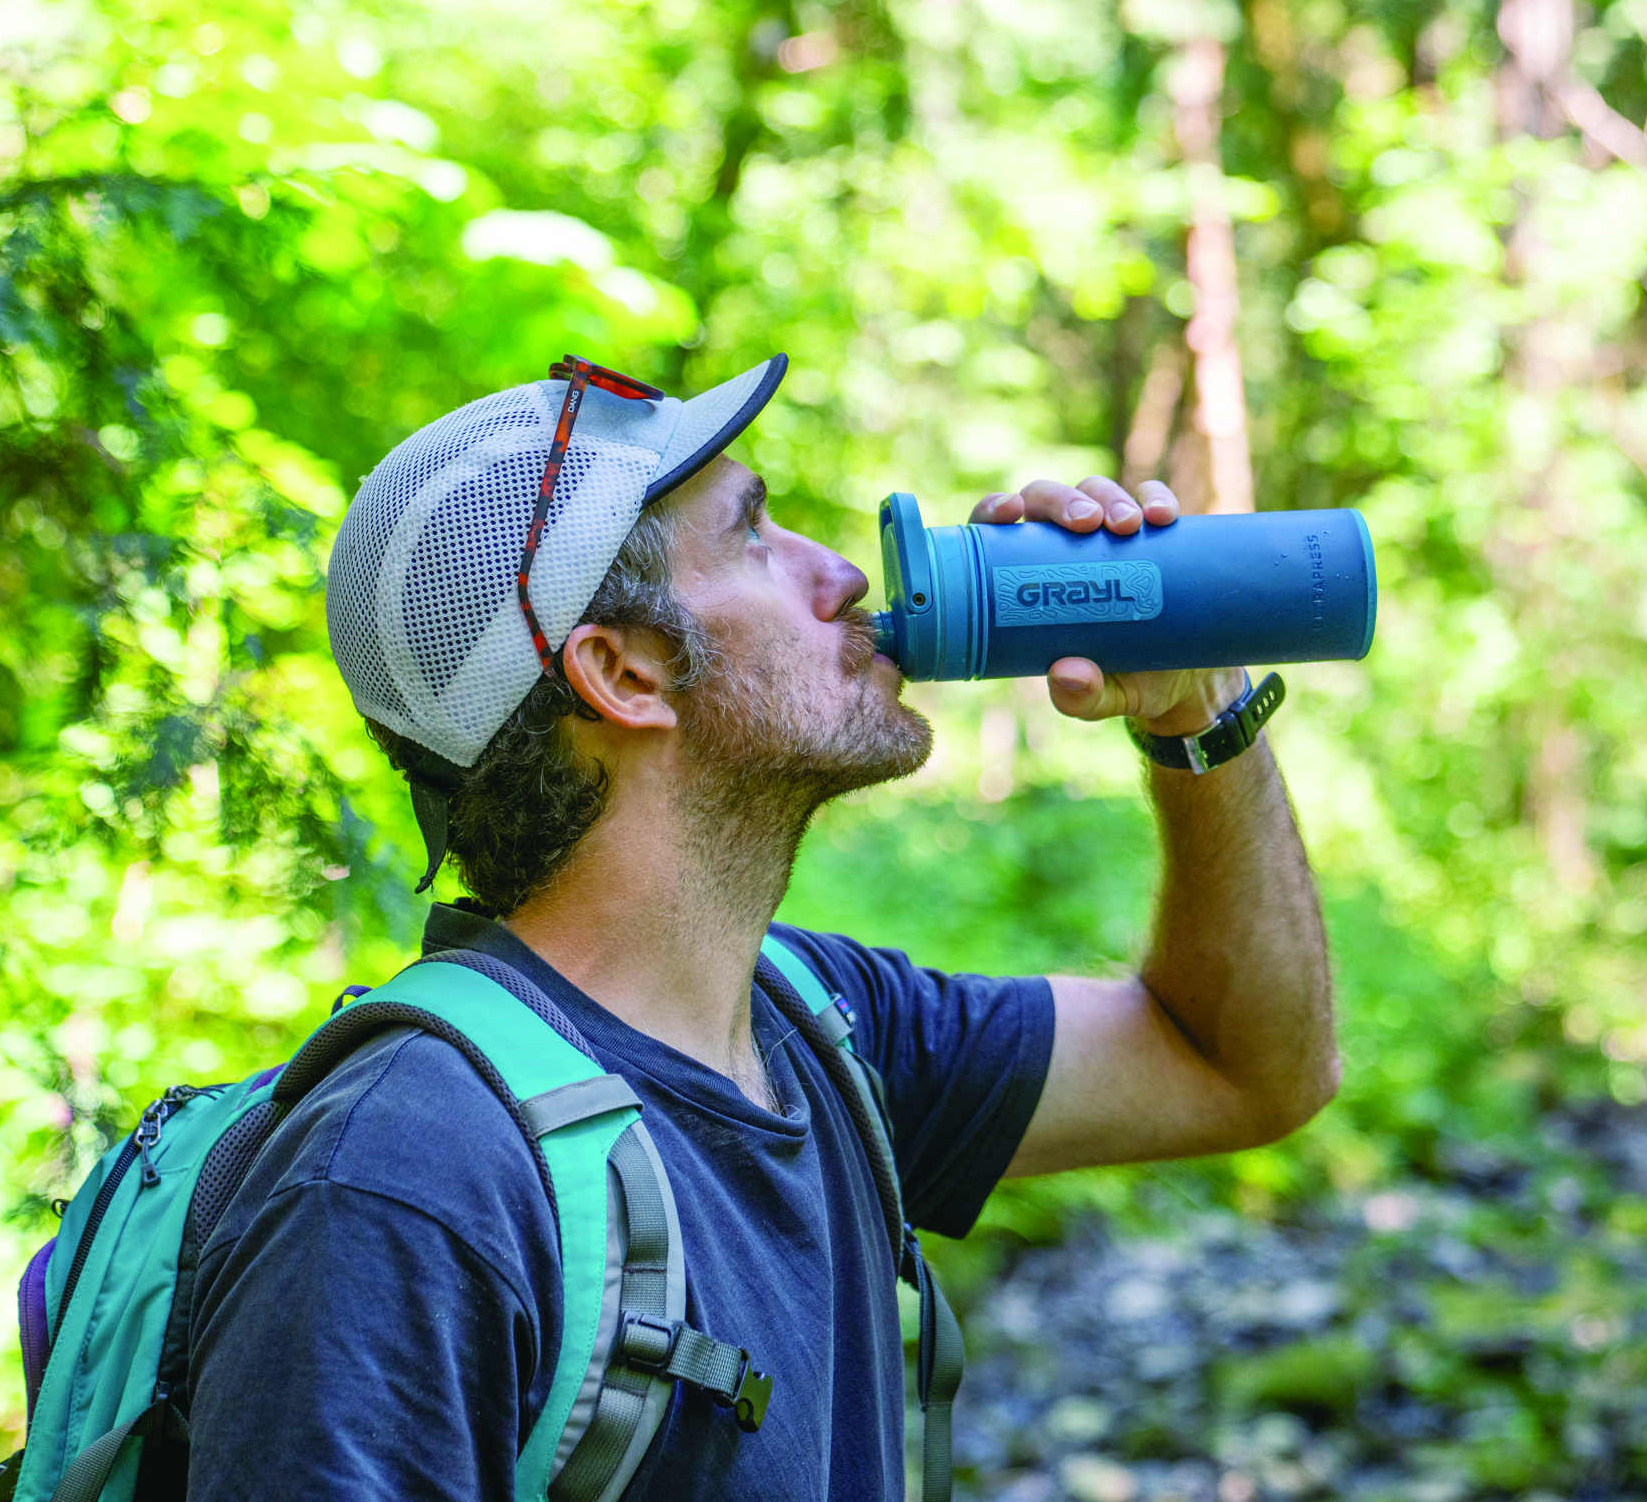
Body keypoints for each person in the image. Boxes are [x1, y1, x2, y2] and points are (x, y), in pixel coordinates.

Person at [183, 354, 1338, 1498]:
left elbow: (1243, 1065)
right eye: (753, 535)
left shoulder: (824, 1033)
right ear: (622, 671)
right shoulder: (407, 1182)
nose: (837, 573)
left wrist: (1198, 708)